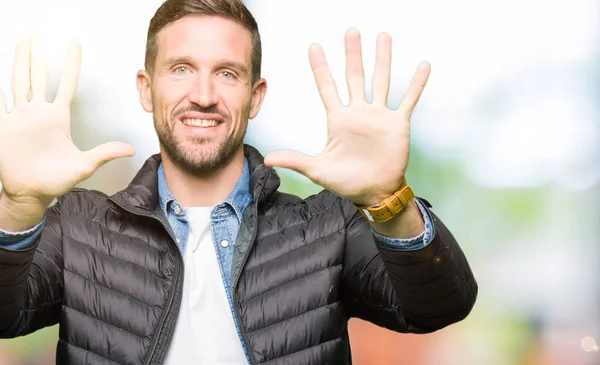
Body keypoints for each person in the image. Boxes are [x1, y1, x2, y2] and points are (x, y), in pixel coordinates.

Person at [0, 0, 477, 364]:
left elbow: (440, 306)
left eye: (227, 74)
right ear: (147, 88)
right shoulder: (78, 225)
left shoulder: (329, 227)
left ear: (255, 96)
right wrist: (17, 206)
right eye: (182, 69)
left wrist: (386, 198)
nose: (203, 95)